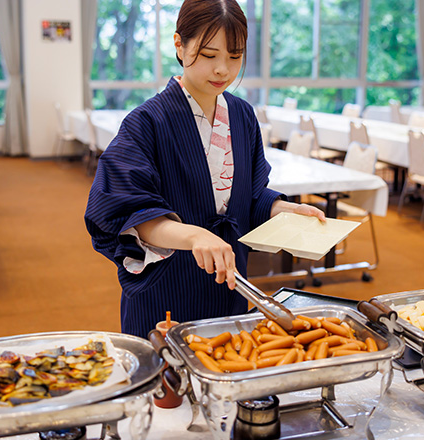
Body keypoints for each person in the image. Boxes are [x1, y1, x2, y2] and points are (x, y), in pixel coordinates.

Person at [85, 0, 324, 339]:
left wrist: (282, 208)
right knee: (169, 383)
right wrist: (195, 235)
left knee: (227, 370)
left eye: (235, 56)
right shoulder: (147, 122)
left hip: (229, 283)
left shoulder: (241, 116)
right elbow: (127, 213)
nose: (223, 70)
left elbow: (249, 196)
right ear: (179, 46)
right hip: (168, 287)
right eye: (209, 56)